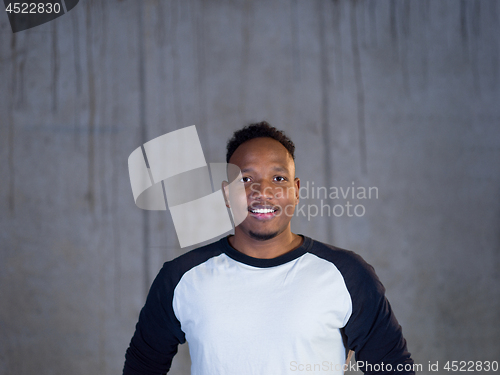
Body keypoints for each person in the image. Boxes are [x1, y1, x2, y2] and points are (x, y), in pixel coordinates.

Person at [123, 122, 415, 375]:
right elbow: (142, 368)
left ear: (296, 191)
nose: (263, 191)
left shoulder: (348, 275)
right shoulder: (181, 278)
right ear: (227, 193)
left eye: (278, 178)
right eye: (246, 179)